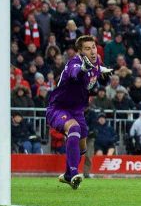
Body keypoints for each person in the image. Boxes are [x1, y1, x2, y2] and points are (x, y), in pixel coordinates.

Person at [46, 35, 113, 189]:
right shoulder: (74, 63)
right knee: (74, 129)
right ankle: (75, 173)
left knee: (82, 147)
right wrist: (83, 69)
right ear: (80, 52)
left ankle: (68, 175)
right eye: (88, 49)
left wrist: (103, 70)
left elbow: (97, 70)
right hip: (58, 108)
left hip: (77, 110)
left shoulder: (96, 61)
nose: (93, 51)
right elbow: (75, 73)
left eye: (94, 47)